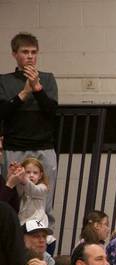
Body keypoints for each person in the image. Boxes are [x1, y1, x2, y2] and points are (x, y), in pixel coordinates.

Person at [0, 33, 59, 236]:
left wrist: (38, 88)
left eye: (34, 52)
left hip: (44, 146)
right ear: (15, 54)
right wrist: (24, 93)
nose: (30, 56)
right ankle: (14, 244)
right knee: (15, 200)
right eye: (25, 52)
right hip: (15, 148)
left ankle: (45, 249)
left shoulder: (48, 79)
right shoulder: (4, 81)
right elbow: (3, 112)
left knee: (43, 202)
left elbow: (52, 111)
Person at [14, 157, 49, 231]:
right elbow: (18, 191)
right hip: (23, 223)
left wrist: (24, 179)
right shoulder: (21, 185)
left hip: (38, 223)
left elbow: (34, 190)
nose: (31, 175)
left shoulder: (43, 187)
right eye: (28, 172)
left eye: (35, 173)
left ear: (40, 175)